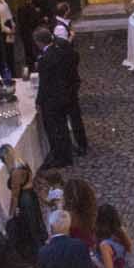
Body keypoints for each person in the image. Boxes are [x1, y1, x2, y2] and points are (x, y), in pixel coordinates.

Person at [34, 24, 87, 167]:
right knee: (75, 118)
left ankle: (62, 156)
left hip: (56, 96)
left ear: (39, 42)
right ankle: (82, 145)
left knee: (58, 126)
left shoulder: (45, 59)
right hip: (70, 89)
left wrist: (39, 101)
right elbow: (75, 57)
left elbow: (44, 83)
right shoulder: (63, 45)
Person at [5, 164, 47, 265]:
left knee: (31, 228)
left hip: (25, 202)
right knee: (35, 226)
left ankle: (38, 258)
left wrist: (10, 215)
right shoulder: (21, 165)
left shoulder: (16, 172)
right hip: (29, 198)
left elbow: (14, 196)